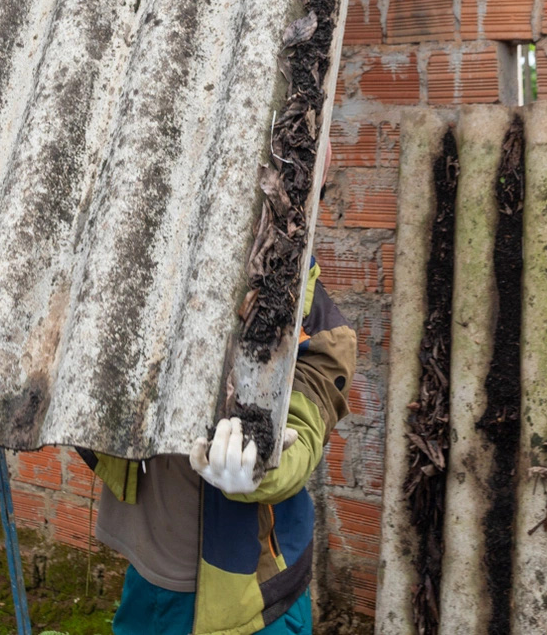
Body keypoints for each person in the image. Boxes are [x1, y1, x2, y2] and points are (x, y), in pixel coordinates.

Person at [84, 256, 357, 635]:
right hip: (151, 576)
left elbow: (306, 423)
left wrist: (263, 467)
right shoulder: (131, 252)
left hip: (256, 594)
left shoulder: (300, 292)